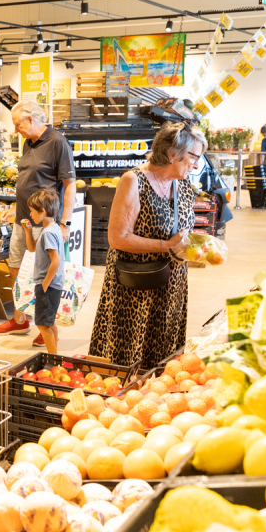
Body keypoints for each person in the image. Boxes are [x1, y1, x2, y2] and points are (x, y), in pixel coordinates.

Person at [89, 123, 203, 367]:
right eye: (194, 156)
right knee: (128, 351)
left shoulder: (183, 184)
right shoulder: (133, 181)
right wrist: (166, 246)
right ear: (173, 154)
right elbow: (117, 238)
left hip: (171, 283)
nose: (196, 164)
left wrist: (198, 246)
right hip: (135, 284)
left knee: (165, 350)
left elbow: (184, 229)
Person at [0, 101, 75, 346]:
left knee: (43, 274)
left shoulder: (58, 142)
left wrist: (65, 223)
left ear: (30, 119)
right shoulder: (28, 143)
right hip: (23, 219)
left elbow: (70, 186)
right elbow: (28, 179)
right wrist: (12, 209)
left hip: (44, 220)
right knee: (18, 267)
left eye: (18, 124)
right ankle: (20, 320)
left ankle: (45, 323)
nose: (16, 130)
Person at [22, 189, 64, 355]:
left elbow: (56, 261)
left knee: (42, 324)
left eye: (32, 211)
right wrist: (28, 231)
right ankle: (55, 357)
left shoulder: (48, 233)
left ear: (43, 211)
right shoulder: (52, 229)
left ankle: (54, 359)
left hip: (48, 284)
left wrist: (44, 285)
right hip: (53, 283)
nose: (31, 214)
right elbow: (32, 248)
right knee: (49, 322)